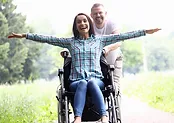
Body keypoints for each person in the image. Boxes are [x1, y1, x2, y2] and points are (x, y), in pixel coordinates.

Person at [8, 13, 160, 123]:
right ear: (76, 26)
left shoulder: (100, 40)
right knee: (82, 83)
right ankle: (78, 118)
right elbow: (48, 39)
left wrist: (145, 32)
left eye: (85, 21)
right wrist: (24, 35)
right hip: (76, 81)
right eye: (79, 22)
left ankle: (104, 116)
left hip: (97, 80)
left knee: (92, 82)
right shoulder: (70, 42)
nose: (82, 24)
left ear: (89, 24)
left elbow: (123, 36)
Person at [90, 3, 123, 101]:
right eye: (95, 13)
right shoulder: (90, 26)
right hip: (97, 60)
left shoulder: (112, 23)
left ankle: (117, 110)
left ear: (105, 13)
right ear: (91, 15)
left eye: (100, 13)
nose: (98, 15)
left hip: (114, 57)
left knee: (115, 85)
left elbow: (118, 41)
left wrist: (108, 48)